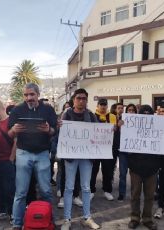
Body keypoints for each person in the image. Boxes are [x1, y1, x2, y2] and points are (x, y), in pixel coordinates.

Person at [8, 83, 57, 230]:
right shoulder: (17, 110)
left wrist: (49, 129)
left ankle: (49, 220)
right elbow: (9, 134)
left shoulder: (48, 109)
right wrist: (14, 130)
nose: (29, 98)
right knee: (21, 192)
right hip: (23, 153)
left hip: (42, 154)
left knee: (46, 191)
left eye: (32, 94)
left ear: (38, 94)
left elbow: (54, 131)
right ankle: (17, 223)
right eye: (26, 95)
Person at [60, 88, 101, 230]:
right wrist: (59, 127)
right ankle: (67, 219)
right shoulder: (66, 114)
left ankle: (87, 217)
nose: (81, 101)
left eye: (84, 98)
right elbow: (60, 133)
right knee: (69, 187)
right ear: (73, 99)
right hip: (71, 156)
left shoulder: (91, 115)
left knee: (86, 187)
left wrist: (110, 130)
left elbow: (98, 131)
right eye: (79, 98)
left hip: (86, 156)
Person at [127, 105, 160, 230]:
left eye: (148, 115)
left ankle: (147, 219)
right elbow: (122, 140)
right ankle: (134, 218)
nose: (146, 117)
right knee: (135, 194)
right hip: (136, 167)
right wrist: (121, 127)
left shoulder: (158, 128)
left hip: (152, 167)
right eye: (143, 114)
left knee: (150, 196)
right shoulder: (131, 128)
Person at [91, 98, 117, 201]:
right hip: (95, 148)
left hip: (108, 148)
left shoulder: (112, 116)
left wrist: (115, 128)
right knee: (93, 171)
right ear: (97, 106)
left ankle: (107, 191)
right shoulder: (92, 116)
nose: (103, 106)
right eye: (101, 105)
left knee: (108, 171)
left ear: (107, 106)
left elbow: (115, 130)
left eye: (104, 105)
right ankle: (91, 191)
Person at [117, 103, 137, 202]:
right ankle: (122, 193)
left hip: (134, 152)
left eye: (133, 110)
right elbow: (116, 135)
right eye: (129, 110)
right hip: (123, 152)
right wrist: (119, 127)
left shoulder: (139, 121)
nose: (131, 112)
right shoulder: (121, 120)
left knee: (134, 175)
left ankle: (134, 194)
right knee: (122, 174)